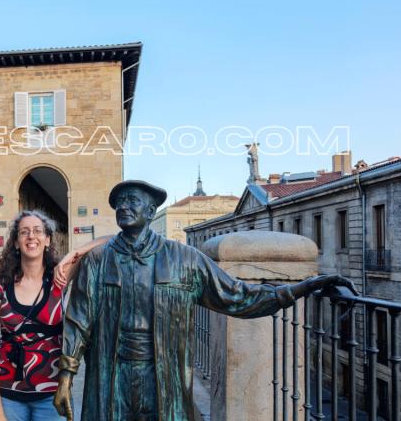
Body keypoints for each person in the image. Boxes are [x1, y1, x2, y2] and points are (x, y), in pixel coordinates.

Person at [53, 180, 357, 421]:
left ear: (151, 210)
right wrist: (66, 376)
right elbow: (79, 320)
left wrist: (305, 287)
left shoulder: (185, 259)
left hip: (164, 377)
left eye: (132, 200)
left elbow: (238, 296)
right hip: (111, 374)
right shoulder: (97, 261)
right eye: (119, 202)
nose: (123, 206)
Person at [0, 209, 107, 421]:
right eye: (24, 232)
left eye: (38, 231)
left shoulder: (59, 278)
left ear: (47, 240)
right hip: (9, 396)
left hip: (52, 397)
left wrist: (74, 253)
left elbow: (112, 239)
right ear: (16, 242)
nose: (31, 236)